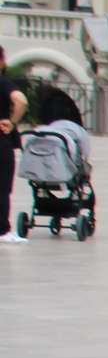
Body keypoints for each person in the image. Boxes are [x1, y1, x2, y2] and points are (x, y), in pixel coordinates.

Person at [0, 46, 28, 242]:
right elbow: (21, 101)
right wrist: (12, 121)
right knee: (2, 188)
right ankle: (2, 230)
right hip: (1, 141)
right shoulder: (4, 83)